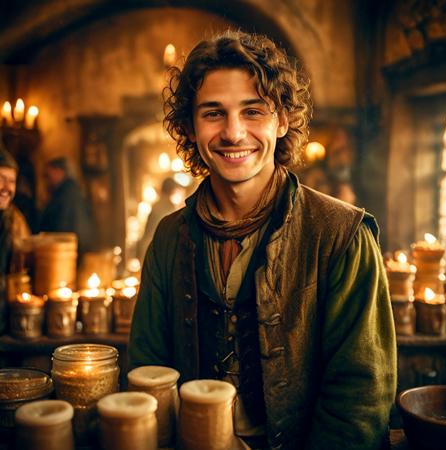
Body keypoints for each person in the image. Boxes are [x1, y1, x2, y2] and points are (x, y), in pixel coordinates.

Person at [129, 31, 396, 450]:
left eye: (253, 111)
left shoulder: (343, 236)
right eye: (213, 113)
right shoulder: (169, 237)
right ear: (190, 127)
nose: (234, 133)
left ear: (282, 119)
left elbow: (359, 402)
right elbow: (147, 367)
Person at [0, 144, 30, 333]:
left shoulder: (16, 221)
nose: (7, 188)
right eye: (2, 179)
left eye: (12, 181)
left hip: (5, 323)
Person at [40, 156, 95, 256]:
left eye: (48, 175)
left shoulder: (66, 192)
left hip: (67, 247)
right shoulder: (70, 189)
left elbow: (62, 222)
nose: (47, 180)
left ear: (59, 171)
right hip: (74, 244)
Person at [138, 177, 186, 261]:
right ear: (172, 191)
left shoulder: (157, 205)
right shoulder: (168, 206)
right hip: (157, 250)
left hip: (149, 248)